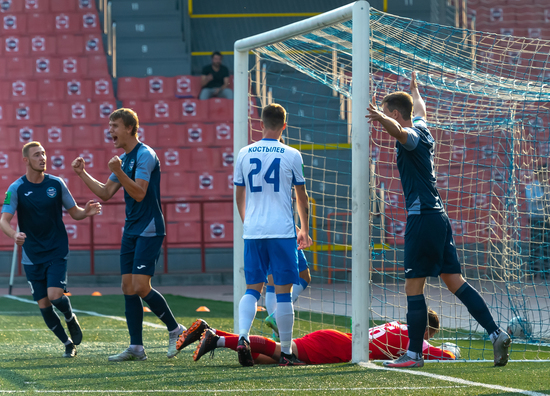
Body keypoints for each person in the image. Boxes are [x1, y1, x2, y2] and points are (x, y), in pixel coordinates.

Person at [365, 72, 511, 368]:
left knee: (413, 287)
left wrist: (380, 117)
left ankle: (414, 354)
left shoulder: (413, 136)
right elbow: (420, 109)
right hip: (438, 217)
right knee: (455, 281)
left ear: (394, 113)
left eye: (388, 112)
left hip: (422, 219)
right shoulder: (422, 126)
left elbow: (399, 131)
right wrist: (415, 90)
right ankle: (496, 333)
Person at [71, 108, 186, 361]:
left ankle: (176, 330)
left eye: (114, 126)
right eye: (109, 125)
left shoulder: (145, 155)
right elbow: (104, 193)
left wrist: (120, 171)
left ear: (129, 128)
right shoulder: (125, 158)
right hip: (132, 228)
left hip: (149, 228)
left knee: (141, 286)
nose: (110, 130)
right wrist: (82, 174)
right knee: (127, 287)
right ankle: (136, 347)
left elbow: (140, 193)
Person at [0, 142, 102, 358]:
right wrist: (14, 235)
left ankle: (69, 316)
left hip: (56, 249)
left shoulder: (57, 184)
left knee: (55, 296)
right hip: (31, 255)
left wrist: (87, 212)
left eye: (44, 153)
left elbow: (74, 212)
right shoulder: (16, 188)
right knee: (44, 306)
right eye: (37, 155)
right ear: (26, 160)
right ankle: (67, 344)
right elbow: (4, 221)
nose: (42, 158)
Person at [233, 103, 312, 366]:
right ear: (284, 126)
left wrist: (249, 222)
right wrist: (305, 229)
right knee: (283, 293)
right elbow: (302, 197)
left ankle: (242, 338)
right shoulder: (291, 154)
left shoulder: (244, 152)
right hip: (282, 232)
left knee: (252, 289)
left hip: (253, 232)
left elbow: (239, 194)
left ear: (261, 123)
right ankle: (287, 353)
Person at [176, 313, 459, 366]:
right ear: (428, 332)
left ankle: (210, 332)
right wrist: (452, 351)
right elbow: (442, 356)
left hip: (337, 340)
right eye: (432, 336)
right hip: (338, 347)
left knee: (266, 359)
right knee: (280, 351)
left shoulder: (399, 325)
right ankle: (219, 340)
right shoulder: (417, 340)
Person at [264, 248, 311, 341]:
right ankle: (275, 317)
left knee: (273, 279)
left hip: (264, 236)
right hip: (285, 236)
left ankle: (277, 335)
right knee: (304, 277)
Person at [525, 164, 550, 277]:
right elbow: (531, 200)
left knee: (546, 245)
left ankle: (546, 271)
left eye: (546, 174)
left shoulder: (548, 187)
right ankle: (533, 271)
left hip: (546, 218)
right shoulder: (530, 186)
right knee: (534, 245)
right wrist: (543, 195)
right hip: (535, 218)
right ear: (538, 175)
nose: (544, 176)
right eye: (542, 174)